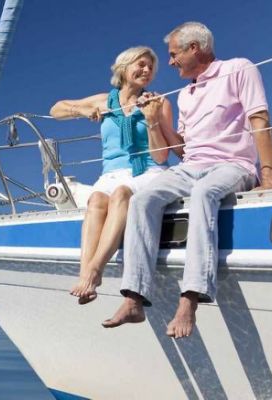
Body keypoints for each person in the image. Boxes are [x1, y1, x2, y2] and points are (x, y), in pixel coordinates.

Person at [102, 22, 272, 338]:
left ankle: (190, 299)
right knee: (142, 200)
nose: (169, 63)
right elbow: (182, 149)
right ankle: (134, 298)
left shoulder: (238, 68)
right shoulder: (185, 94)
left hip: (231, 164)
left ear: (193, 48)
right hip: (191, 166)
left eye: (173, 54)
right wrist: (153, 119)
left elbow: (259, 119)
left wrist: (268, 178)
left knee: (204, 194)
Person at [50, 46, 180, 304]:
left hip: (147, 170)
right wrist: (82, 111)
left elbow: (162, 157)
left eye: (151, 67)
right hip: (111, 172)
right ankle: (85, 273)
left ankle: (94, 271)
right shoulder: (103, 101)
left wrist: (152, 119)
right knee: (97, 200)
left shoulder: (158, 102)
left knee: (121, 194)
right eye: (141, 64)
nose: (147, 70)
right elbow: (56, 109)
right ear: (124, 68)